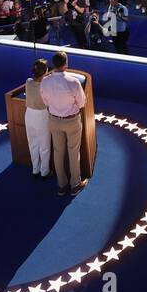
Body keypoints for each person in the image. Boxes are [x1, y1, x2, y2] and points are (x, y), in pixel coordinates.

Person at [41, 50, 88, 195]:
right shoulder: (73, 82)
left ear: (53, 64)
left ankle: (62, 185)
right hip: (72, 121)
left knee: (58, 152)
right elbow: (82, 103)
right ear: (66, 63)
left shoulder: (45, 81)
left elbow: (45, 101)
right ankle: (75, 184)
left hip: (54, 120)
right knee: (73, 152)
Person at [22, 58, 52, 180]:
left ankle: (35, 169)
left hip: (29, 114)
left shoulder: (28, 81)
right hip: (41, 116)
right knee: (44, 145)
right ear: (45, 71)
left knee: (33, 143)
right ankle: (44, 172)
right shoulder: (46, 86)